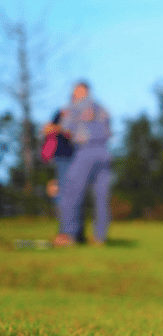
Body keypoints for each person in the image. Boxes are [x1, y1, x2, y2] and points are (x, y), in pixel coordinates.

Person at [52, 81, 112, 247]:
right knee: (101, 197)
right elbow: (109, 130)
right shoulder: (101, 108)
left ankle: (69, 235)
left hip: (85, 151)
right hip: (104, 153)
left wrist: (54, 127)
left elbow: (66, 130)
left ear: (81, 91)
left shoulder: (73, 108)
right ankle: (100, 237)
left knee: (71, 194)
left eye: (75, 90)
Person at [42, 108, 87, 243]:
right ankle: (71, 234)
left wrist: (59, 129)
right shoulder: (61, 112)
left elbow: (77, 135)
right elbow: (48, 132)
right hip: (59, 161)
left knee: (70, 198)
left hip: (74, 160)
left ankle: (70, 235)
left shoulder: (80, 115)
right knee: (62, 198)